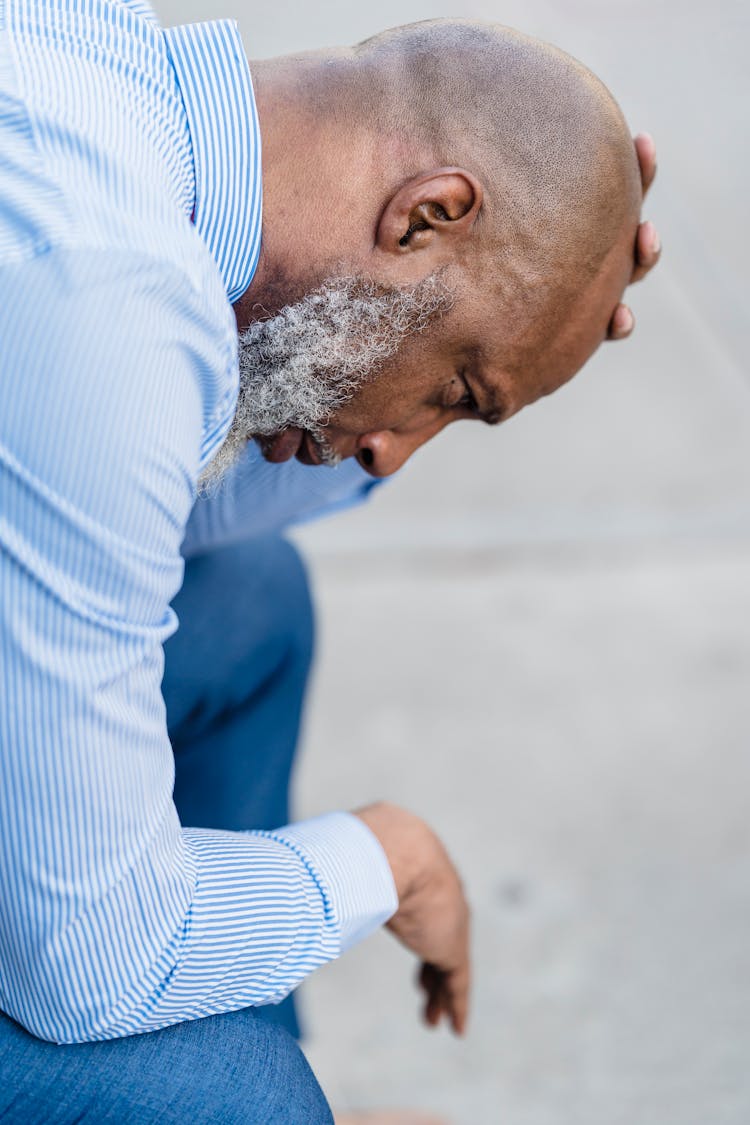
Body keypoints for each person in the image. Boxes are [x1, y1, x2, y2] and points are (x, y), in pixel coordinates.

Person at [0, 1, 660, 1120]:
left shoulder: (91, 75)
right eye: (457, 390)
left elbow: (121, 512)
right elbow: (92, 961)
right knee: (240, 1096)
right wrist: (387, 862)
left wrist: (542, 308)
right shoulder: (104, 297)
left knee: (252, 608)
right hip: (88, 957)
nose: (396, 454)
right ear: (428, 216)